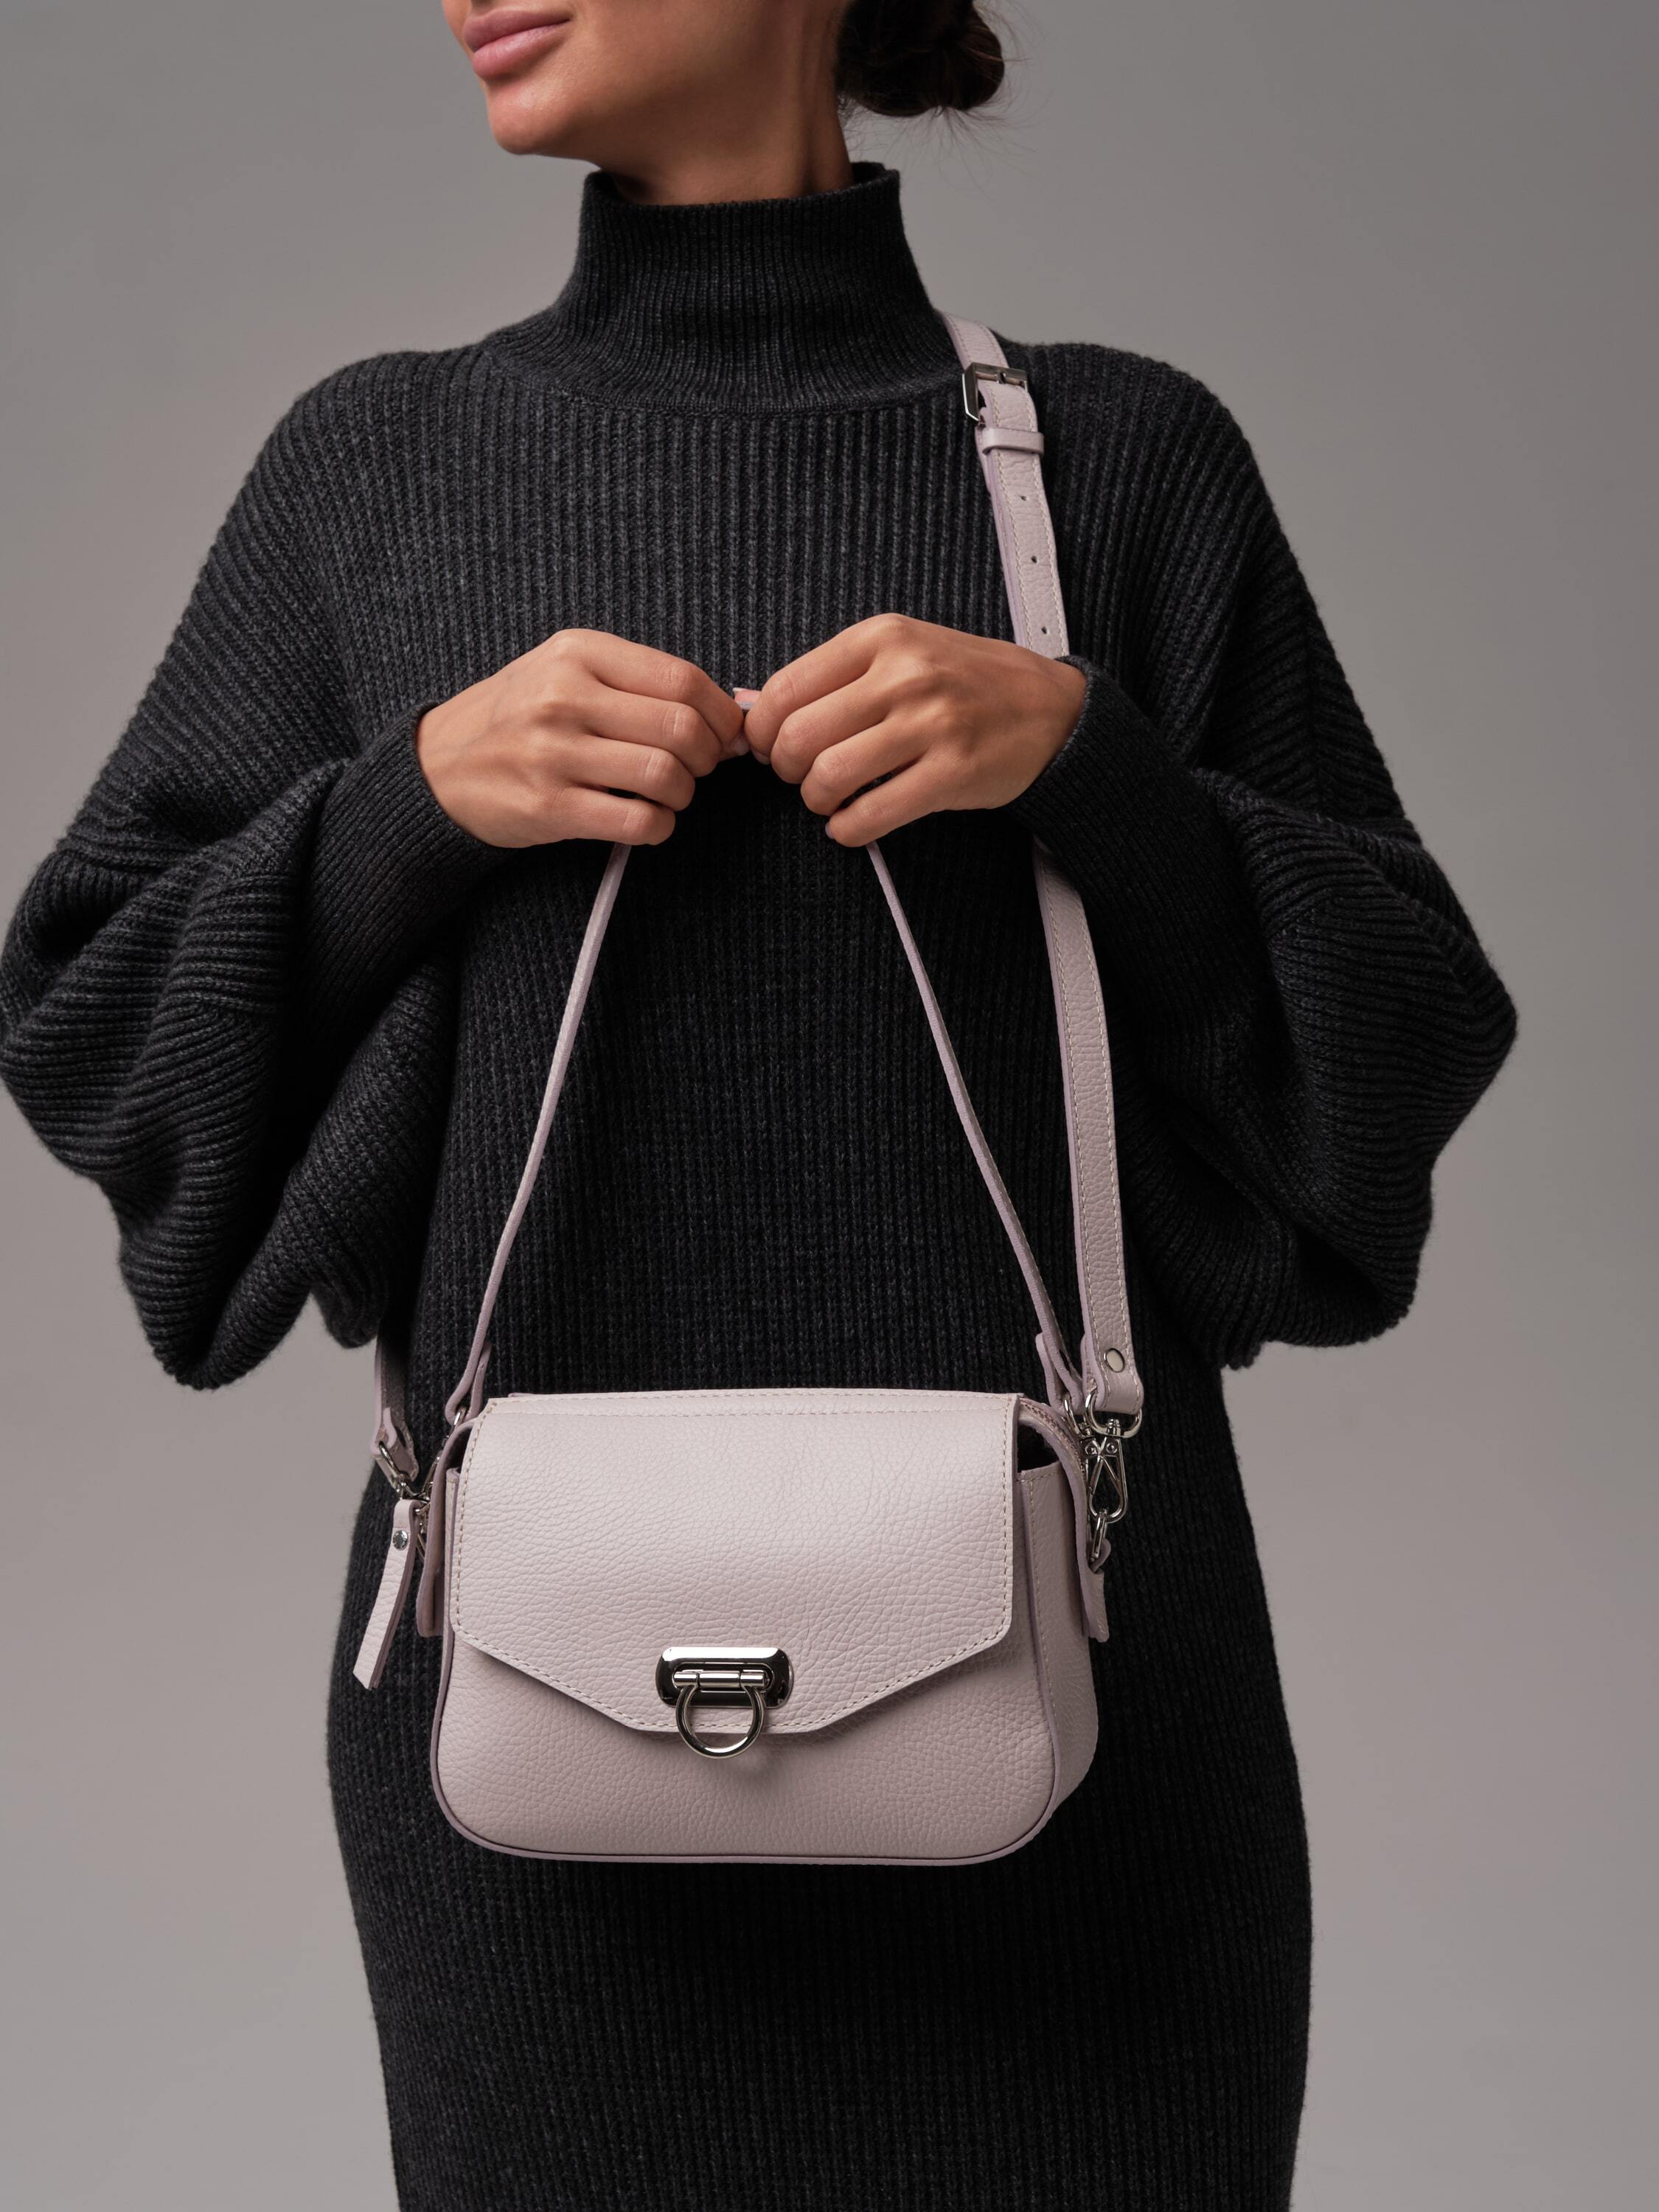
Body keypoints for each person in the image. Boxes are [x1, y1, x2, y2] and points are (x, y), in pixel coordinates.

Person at [0, 3, 1518, 2206]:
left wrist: (1092, 772)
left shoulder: (1115, 463)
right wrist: (405, 811)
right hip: (542, 1796)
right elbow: (95, 1026)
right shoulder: (380, 470)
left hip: (1090, 1752)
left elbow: (1388, 1062)